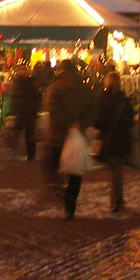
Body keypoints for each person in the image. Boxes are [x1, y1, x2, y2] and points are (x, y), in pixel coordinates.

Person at [43, 58, 95, 219]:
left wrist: (67, 124)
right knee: (75, 172)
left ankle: (58, 188)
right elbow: (93, 110)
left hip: (57, 136)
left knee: (50, 164)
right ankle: (70, 206)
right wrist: (80, 124)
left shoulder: (55, 88)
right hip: (77, 136)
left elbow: (52, 108)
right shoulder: (85, 89)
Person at [93, 72, 135, 214]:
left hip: (107, 140)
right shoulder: (124, 100)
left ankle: (116, 200)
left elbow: (96, 121)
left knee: (114, 171)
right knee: (117, 171)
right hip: (121, 140)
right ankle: (117, 199)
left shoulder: (102, 99)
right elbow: (130, 121)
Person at [7, 65, 42, 162]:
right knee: (26, 133)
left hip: (26, 112)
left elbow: (15, 98)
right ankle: (27, 154)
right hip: (25, 112)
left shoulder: (24, 83)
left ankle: (28, 154)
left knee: (26, 133)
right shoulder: (27, 83)